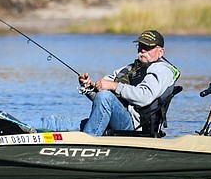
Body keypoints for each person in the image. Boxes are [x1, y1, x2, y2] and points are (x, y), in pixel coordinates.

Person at [35, 29, 180, 135]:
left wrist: (113, 86)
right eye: (141, 46)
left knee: (106, 96)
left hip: (135, 128)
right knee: (54, 122)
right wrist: (88, 87)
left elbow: (144, 97)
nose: (143, 50)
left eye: (148, 48)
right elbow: (100, 100)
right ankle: (18, 130)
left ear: (161, 52)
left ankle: (88, 142)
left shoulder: (162, 70)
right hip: (112, 121)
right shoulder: (130, 69)